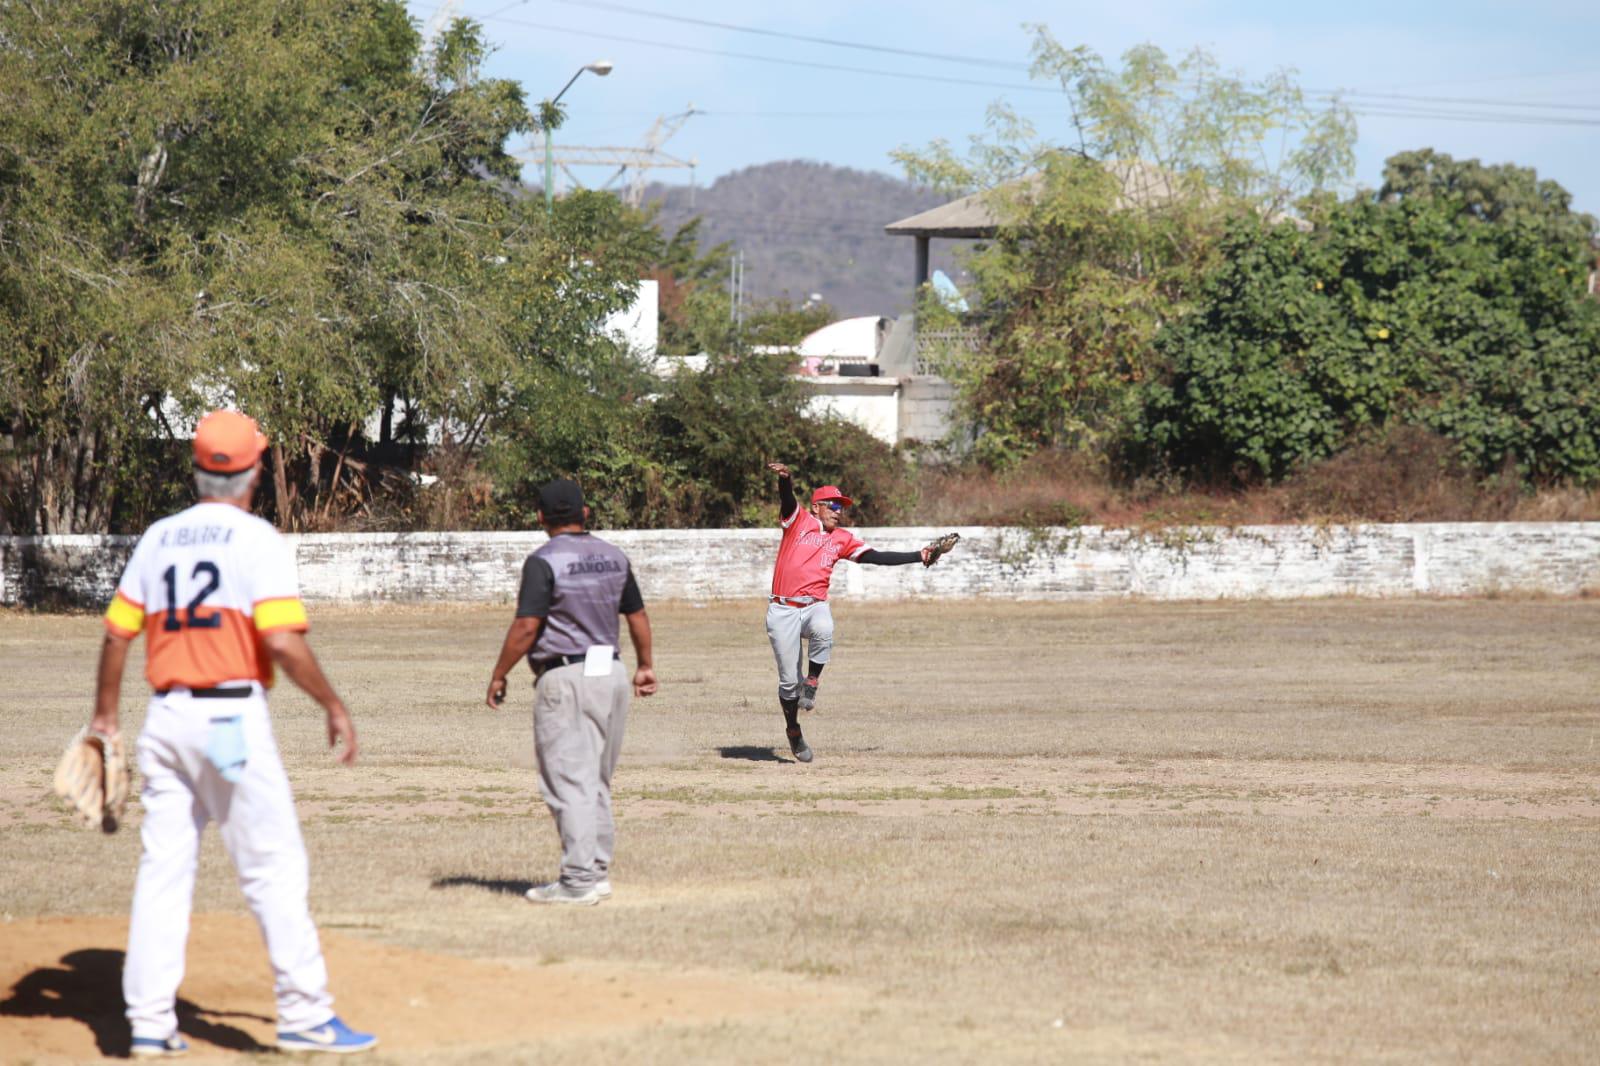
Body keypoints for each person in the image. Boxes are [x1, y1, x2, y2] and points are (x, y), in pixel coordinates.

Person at [91, 410, 377, 1058]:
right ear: (252, 473)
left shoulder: (159, 537)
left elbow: (116, 633)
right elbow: (279, 639)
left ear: (197, 470)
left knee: (163, 870)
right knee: (272, 867)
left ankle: (149, 1024)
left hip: (164, 721)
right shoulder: (256, 540)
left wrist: (105, 717)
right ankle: (306, 1016)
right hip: (227, 720)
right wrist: (332, 702)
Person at [485, 479, 658, 906]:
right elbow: (636, 615)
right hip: (612, 673)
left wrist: (499, 673)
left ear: (540, 517)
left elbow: (527, 626)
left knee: (569, 779)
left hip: (566, 677)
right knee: (595, 779)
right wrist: (646, 665)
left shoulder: (544, 561)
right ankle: (595, 873)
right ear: (585, 513)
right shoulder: (613, 556)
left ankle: (578, 881)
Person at [764, 461, 942, 763]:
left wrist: (918, 556)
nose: (838, 510)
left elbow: (876, 556)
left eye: (841, 506)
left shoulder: (843, 538)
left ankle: (813, 682)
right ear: (816, 507)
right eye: (832, 504)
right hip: (782, 608)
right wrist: (786, 479)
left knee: (824, 628)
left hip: (813, 605)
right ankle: (793, 729)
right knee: (787, 683)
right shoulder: (798, 522)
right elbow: (787, 499)